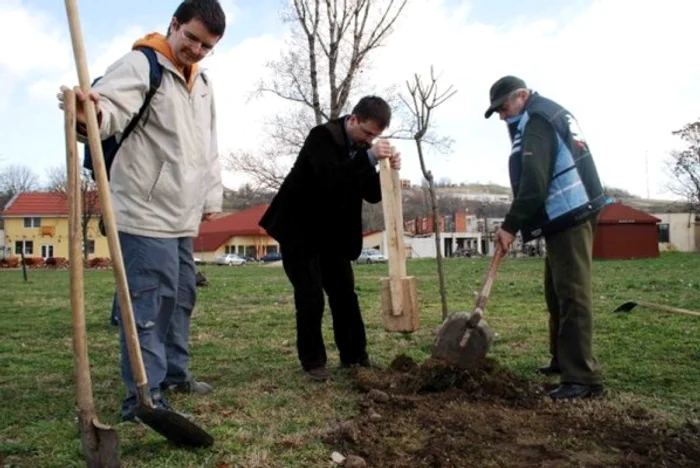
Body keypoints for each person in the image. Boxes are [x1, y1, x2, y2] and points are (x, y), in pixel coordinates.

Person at [57, 0, 225, 421]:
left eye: (207, 46)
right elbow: (106, 112)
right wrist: (87, 113)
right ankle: (142, 401)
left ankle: (172, 374)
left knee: (182, 297)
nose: (198, 51)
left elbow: (208, 147)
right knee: (149, 308)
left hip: (181, 217)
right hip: (143, 214)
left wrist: (209, 199)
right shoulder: (140, 65)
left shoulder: (202, 83)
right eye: (192, 39)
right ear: (174, 24)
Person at [259, 96, 401, 382]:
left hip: (332, 235)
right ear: (352, 120)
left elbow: (371, 192)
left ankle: (355, 357)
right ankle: (314, 362)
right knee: (310, 295)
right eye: (367, 133)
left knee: (345, 295)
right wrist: (370, 157)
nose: (369, 140)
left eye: (376, 136)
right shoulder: (321, 137)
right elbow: (331, 179)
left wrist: (389, 169)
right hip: (299, 229)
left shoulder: (361, 149)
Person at [484, 75, 606, 400]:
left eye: (503, 107)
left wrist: (510, 226)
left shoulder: (537, 120)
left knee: (572, 294)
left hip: (571, 212)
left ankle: (583, 377)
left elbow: (534, 184)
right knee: (556, 291)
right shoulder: (540, 114)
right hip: (563, 215)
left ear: (522, 96)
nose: (501, 115)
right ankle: (562, 361)